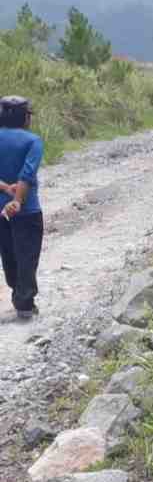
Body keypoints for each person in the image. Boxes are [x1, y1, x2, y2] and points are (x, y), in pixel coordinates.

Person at [0, 95, 44, 320]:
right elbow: (27, 175)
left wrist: (6, 188)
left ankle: (17, 290)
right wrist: (17, 200)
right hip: (26, 211)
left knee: (8, 254)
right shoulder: (32, 141)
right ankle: (24, 303)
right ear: (25, 118)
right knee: (27, 255)